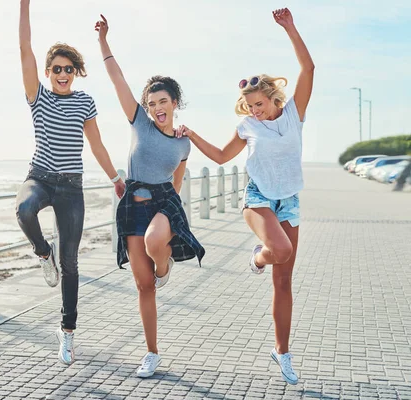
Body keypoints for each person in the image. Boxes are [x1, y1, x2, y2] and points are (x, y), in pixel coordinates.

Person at [176, 8, 314, 385]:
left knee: (284, 281)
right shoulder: (248, 126)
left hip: (290, 201)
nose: (255, 110)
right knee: (280, 251)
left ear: (272, 97)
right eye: (250, 106)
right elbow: (221, 157)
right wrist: (191, 134)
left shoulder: (293, 114)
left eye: (260, 103)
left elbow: (309, 68)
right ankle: (258, 256)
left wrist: (290, 27)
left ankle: (282, 352)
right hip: (257, 199)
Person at [95, 14, 205, 378]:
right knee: (144, 286)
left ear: (175, 102)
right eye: (152, 102)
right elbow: (116, 79)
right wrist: (103, 42)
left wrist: (169, 212)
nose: (157, 107)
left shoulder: (184, 141)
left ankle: (164, 265)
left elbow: (178, 180)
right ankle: (152, 352)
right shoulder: (139, 120)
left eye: (164, 101)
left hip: (164, 201)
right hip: (132, 204)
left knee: (157, 239)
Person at [17, 0, 125, 366]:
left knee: (73, 263)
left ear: (75, 72)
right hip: (40, 179)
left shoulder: (84, 102)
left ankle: (67, 333)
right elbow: (24, 48)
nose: (63, 74)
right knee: (23, 210)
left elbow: (96, 145)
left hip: (71, 189)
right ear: (48, 72)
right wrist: (24, 6)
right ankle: (43, 253)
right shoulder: (38, 98)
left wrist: (114, 178)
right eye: (57, 69)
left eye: (69, 69)